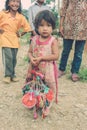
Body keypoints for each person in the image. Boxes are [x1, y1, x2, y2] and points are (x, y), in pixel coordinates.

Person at [26, 10, 59, 117]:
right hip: (36, 69)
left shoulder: (53, 40)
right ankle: (36, 101)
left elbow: (55, 56)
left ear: (53, 27)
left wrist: (42, 58)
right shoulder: (34, 39)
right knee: (36, 86)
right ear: (36, 26)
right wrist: (31, 58)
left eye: (48, 25)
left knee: (48, 87)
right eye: (41, 25)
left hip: (48, 70)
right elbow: (30, 52)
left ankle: (47, 105)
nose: (45, 28)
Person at [0, 0, 32, 84]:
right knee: (8, 57)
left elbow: (27, 28)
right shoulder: (3, 13)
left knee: (14, 58)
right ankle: (7, 75)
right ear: (8, 3)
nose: (15, 4)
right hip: (5, 38)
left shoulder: (21, 16)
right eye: (13, 1)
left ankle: (12, 74)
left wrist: (20, 34)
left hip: (14, 39)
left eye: (17, 2)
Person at [58, 0, 87, 82]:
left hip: (83, 27)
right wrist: (61, 25)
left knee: (79, 53)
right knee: (66, 50)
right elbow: (63, 8)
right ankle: (61, 69)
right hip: (69, 25)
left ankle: (75, 72)